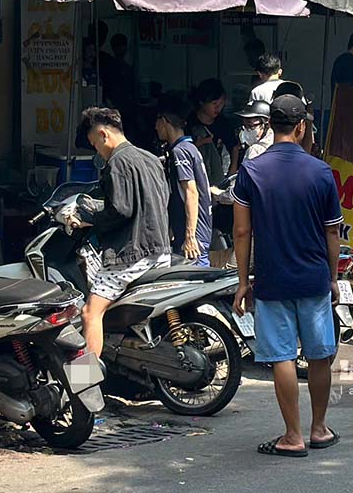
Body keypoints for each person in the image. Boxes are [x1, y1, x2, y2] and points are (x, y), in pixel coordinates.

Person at [231, 94, 343, 456]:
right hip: (313, 277)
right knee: (319, 355)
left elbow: (242, 232)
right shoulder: (321, 172)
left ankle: (292, 436)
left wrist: (243, 281)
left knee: (282, 356)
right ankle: (320, 429)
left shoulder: (251, 170)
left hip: (272, 279)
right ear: (301, 126)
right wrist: (333, 278)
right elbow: (332, 231)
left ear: (267, 126)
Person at [69, 107, 172, 357]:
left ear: (103, 134)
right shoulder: (149, 158)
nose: (97, 151)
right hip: (160, 248)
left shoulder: (117, 162)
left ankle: (86, 383)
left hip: (132, 253)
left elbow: (121, 210)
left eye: (94, 144)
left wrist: (89, 219)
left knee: (90, 312)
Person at [155, 93, 213, 266]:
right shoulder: (189, 148)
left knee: (196, 286)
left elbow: (191, 192)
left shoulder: (180, 151)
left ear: (164, 121)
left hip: (195, 237)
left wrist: (190, 235)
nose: (155, 127)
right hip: (197, 231)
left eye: (157, 122)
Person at [188, 78, 240, 184]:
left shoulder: (222, 123)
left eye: (222, 103)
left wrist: (233, 168)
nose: (219, 107)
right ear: (201, 102)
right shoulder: (189, 121)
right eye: (214, 103)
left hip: (214, 171)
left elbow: (233, 146)